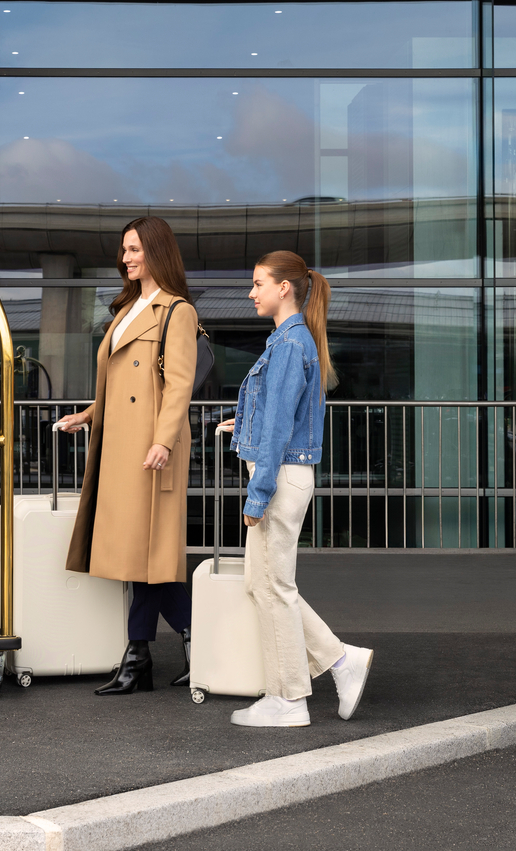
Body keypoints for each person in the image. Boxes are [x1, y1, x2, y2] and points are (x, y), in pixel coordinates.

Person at [219, 251, 373, 727]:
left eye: (259, 283)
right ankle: (340, 660)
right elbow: (280, 413)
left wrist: (258, 493)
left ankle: (288, 700)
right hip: (283, 472)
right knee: (262, 584)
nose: (252, 292)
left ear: (284, 287)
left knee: (275, 588)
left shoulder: (289, 343)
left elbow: (281, 425)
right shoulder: (291, 340)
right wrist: (246, 425)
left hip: (279, 477)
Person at [56, 216, 198, 694]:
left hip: (151, 449)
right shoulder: (126, 309)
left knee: (148, 554)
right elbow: (120, 385)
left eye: (135, 249)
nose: (126, 258)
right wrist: (87, 415)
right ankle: (177, 648)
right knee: (143, 556)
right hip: (121, 445)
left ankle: (143, 657)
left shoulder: (176, 311)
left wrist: (162, 440)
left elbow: (178, 385)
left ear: (156, 251)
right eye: (125, 250)